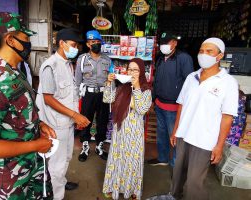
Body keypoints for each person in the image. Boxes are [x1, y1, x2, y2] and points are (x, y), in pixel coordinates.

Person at [0, 12, 56, 199]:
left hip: (29, 169)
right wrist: (35, 145)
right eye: (25, 38)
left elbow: (18, 114)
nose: (28, 44)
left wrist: (39, 125)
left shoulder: (14, 73)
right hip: (7, 181)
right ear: (11, 40)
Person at [169, 38, 238, 200]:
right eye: (201, 51)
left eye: (209, 51)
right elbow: (181, 105)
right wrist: (175, 131)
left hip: (204, 141)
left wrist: (219, 146)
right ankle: (174, 197)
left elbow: (227, 117)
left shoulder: (228, 83)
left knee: (194, 182)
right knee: (177, 176)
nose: (203, 54)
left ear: (220, 56)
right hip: (184, 135)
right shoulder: (191, 77)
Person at [35, 28, 90, 200]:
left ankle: (61, 183)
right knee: (56, 165)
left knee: (66, 157)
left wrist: (74, 117)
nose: (75, 48)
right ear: (61, 43)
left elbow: (68, 95)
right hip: (55, 125)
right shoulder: (50, 66)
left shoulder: (68, 65)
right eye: (73, 45)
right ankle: (56, 196)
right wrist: (75, 115)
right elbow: (48, 99)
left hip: (66, 122)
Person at [102, 58, 152, 200]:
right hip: (119, 132)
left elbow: (142, 109)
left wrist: (136, 87)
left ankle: (132, 190)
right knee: (117, 160)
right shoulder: (122, 88)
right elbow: (107, 99)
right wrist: (109, 82)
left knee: (132, 162)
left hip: (134, 134)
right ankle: (114, 187)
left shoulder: (145, 90)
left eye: (135, 70)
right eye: (130, 69)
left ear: (141, 71)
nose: (132, 72)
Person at [148, 31, 194, 167]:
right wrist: (153, 100)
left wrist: (186, 105)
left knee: (174, 138)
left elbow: (189, 83)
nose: (163, 46)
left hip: (174, 108)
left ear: (174, 43)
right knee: (161, 135)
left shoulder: (183, 58)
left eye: (166, 43)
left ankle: (176, 166)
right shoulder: (161, 59)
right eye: (161, 43)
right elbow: (157, 82)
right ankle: (162, 158)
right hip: (160, 105)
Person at [75, 30, 111, 162]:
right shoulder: (82, 58)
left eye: (97, 42)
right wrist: (76, 97)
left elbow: (111, 77)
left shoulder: (107, 59)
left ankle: (99, 146)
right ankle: (85, 146)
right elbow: (77, 80)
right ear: (88, 44)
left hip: (103, 94)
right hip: (88, 94)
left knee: (103, 120)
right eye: (92, 42)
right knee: (85, 120)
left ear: (100, 43)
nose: (95, 44)